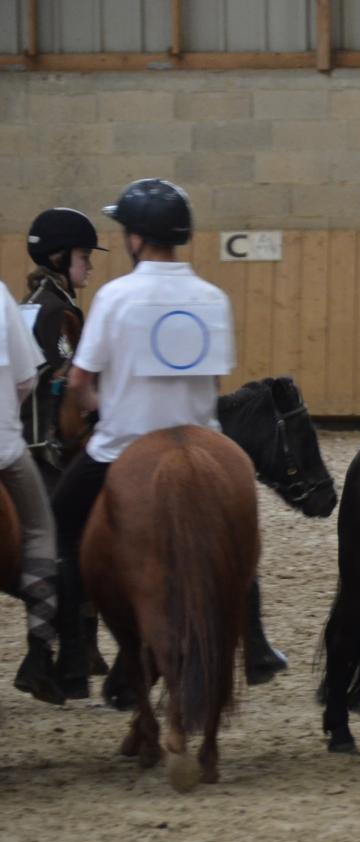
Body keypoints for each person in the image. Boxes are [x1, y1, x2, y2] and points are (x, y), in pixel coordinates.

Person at [51, 178, 234, 698]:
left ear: (136, 238)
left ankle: (69, 650)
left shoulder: (115, 296)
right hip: (203, 448)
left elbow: (82, 383)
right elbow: (213, 384)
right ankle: (257, 641)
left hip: (122, 450)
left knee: (59, 530)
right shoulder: (213, 298)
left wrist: (99, 409)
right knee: (236, 544)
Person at [1, 280, 65, 704]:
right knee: (42, 531)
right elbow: (26, 379)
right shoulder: (2, 296)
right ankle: (40, 649)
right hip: (3, 451)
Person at [21, 208, 105, 489]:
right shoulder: (56, 310)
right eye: (84, 257)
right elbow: (69, 380)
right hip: (46, 450)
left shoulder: (36, 300)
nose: (90, 266)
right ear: (60, 259)